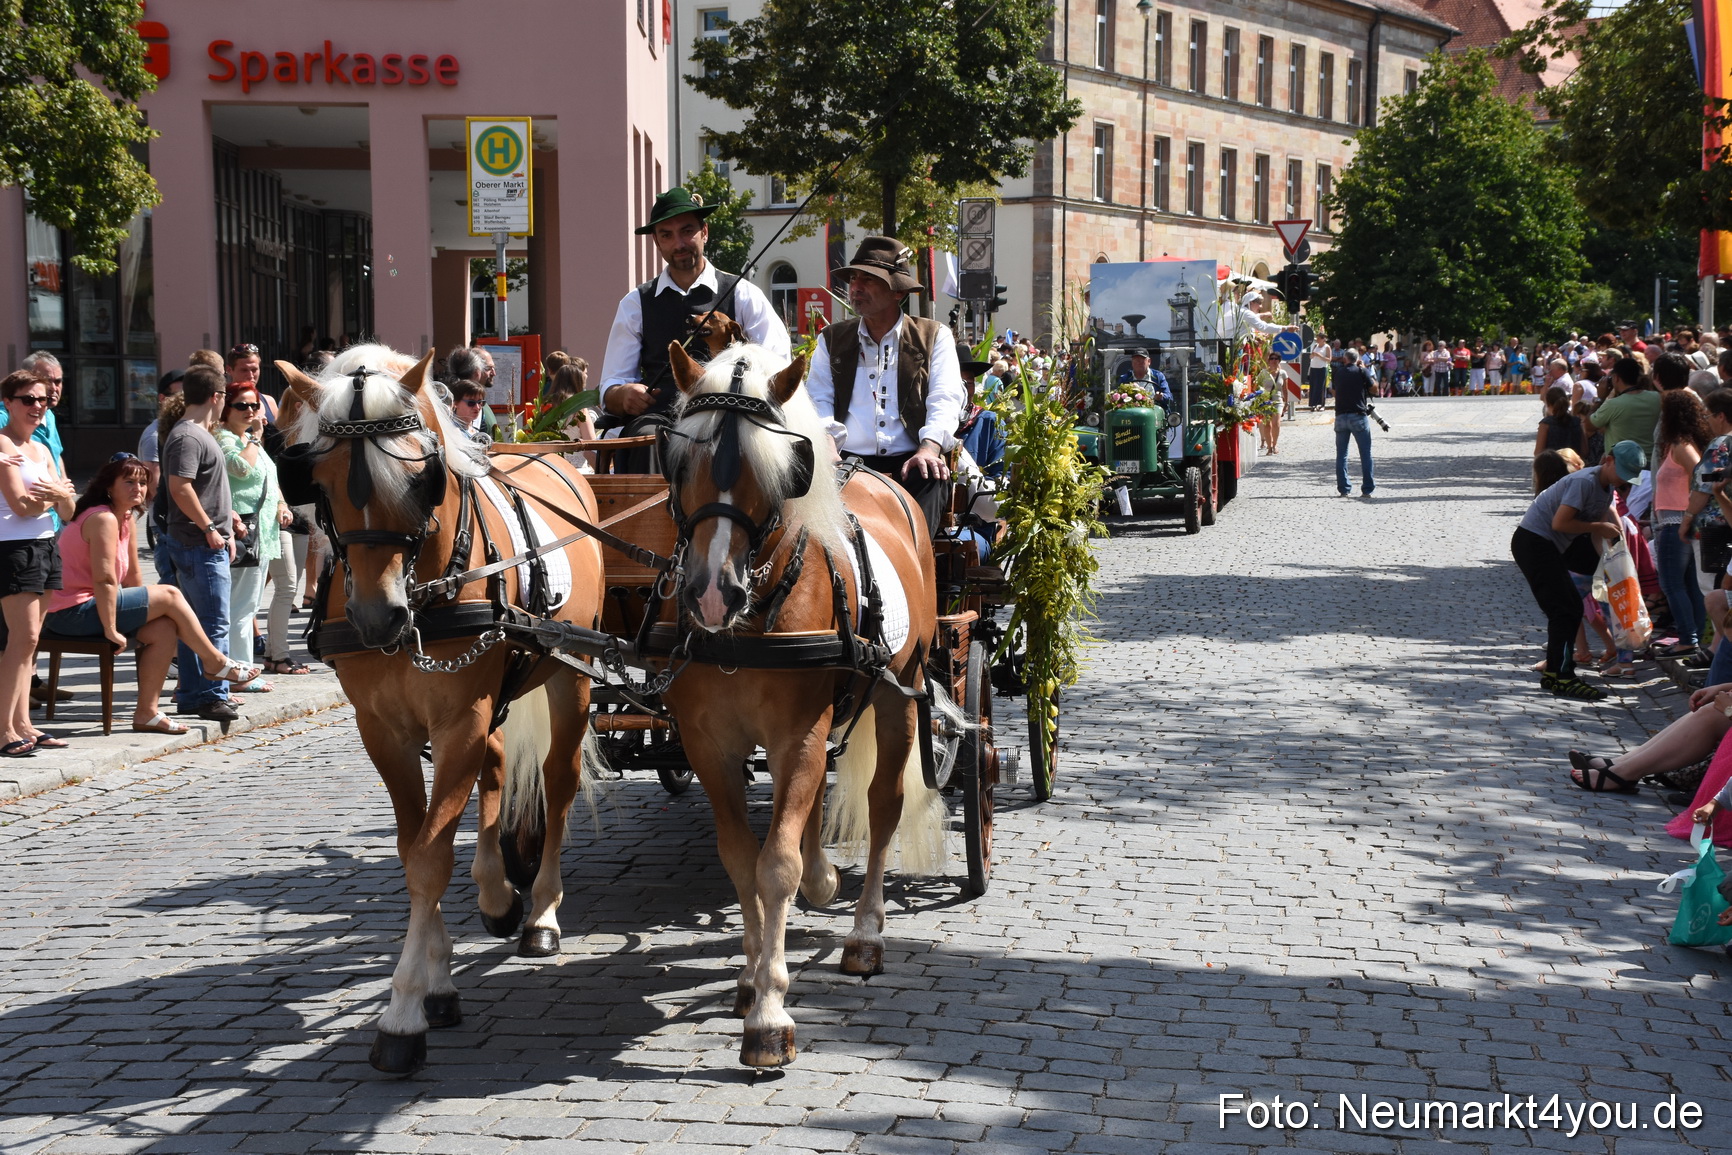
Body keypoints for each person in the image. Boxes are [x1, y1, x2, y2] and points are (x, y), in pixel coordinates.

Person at [46, 457, 259, 735]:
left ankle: (147, 712)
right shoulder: (102, 518)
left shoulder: (125, 518)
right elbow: (105, 579)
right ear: (109, 487)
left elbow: (133, 577)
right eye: (129, 482)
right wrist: (111, 628)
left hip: (93, 606)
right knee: (170, 594)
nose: (138, 488)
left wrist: (144, 611)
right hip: (68, 613)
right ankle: (214, 662)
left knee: (163, 626)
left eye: (143, 483)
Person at [598, 186, 789, 471]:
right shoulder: (635, 303)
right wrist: (623, 395)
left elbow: (778, 367)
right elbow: (610, 388)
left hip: (732, 417)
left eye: (687, 231)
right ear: (657, 242)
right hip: (660, 420)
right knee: (644, 438)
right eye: (667, 235)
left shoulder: (743, 295)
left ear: (705, 232)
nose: (679, 243)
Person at [805, 236, 967, 535]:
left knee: (932, 478)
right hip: (846, 463)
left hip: (914, 462)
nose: (856, 287)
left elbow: (945, 398)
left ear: (898, 292)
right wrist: (827, 446)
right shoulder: (831, 339)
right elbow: (818, 400)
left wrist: (930, 448)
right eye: (854, 278)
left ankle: (915, 572)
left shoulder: (933, 335)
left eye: (869, 279)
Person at [1512, 441, 1646, 701]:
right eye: (1622, 472)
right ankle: (1562, 676)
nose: (1623, 480)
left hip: (1548, 545)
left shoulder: (1605, 489)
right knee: (1566, 609)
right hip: (1534, 541)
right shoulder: (1584, 482)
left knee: (1568, 608)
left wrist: (1609, 566)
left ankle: (1556, 671)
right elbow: (1561, 522)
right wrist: (1597, 527)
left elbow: (1596, 534)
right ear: (1608, 460)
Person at [154, 365, 246, 723]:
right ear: (217, 397)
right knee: (212, 623)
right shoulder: (188, 437)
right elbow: (180, 487)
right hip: (197, 545)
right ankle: (211, 695)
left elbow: (205, 487)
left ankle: (194, 694)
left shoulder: (197, 434)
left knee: (194, 625)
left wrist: (230, 518)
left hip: (204, 541)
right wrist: (209, 527)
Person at [0, 371, 76, 755]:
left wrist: (56, 496)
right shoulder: (2, 445)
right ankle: (4, 729)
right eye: (27, 399)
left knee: (29, 643)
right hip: (14, 548)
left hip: (46, 545)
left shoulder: (42, 450)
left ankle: (24, 723)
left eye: (43, 400)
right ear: (8, 403)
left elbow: (70, 505)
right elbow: (20, 505)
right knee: (22, 638)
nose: (37, 407)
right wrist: (54, 495)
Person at [217, 384, 286, 691]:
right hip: (242, 531)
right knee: (239, 606)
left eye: (255, 405)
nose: (250, 411)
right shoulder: (225, 438)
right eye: (242, 406)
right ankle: (239, 674)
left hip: (262, 531)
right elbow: (241, 469)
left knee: (248, 604)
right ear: (226, 409)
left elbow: (269, 476)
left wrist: (282, 504)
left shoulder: (247, 439)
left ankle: (240, 670)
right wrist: (257, 437)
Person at [1654, 389, 1713, 660]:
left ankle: (1688, 638)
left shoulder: (1681, 444)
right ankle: (1692, 637)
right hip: (1679, 521)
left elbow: (1703, 474)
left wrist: (1690, 513)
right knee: (1688, 585)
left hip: (1677, 522)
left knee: (1672, 584)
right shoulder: (1679, 443)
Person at [1590, 356, 1662, 459]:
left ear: (1616, 378)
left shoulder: (1613, 405)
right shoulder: (1657, 397)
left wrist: (1600, 398)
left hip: (1622, 465)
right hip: (1653, 463)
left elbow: (1589, 426)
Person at [1332, 349, 1376, 498]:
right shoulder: (1361, 371)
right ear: (1357, 358)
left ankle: (1344, 489)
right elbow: (1374, 388)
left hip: (1340, 416)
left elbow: (1334, 390)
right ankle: (1367, 489)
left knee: (1341, 455)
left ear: (1345, 358)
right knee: (1365, 454)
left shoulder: (1337, 372)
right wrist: (1364, 369)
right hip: (1358, 415)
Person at [446, 347, 500, 441]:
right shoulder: (454, 429)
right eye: (471, 403)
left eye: (480, 402)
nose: (477, 407)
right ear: (477, 373)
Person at [1535, 386, 1582, 457]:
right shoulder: (1577, 421)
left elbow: (1538, 452)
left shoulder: (1545, 424)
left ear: (1548, 404)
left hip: (1553, 464)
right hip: (1574, 463)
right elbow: (1584, 451)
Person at [1307, 332, 1331, 410]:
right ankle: (1313, 404)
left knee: (1320, 386)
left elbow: (1329, 359)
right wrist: (1312, 355)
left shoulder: (1327, 347)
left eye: (1318, 338)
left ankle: (1321, 404)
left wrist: (1319, 356)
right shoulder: (1315, 346)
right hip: (1313, 367)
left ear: (1323, 339)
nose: (1317, 340)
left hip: (1322, 368)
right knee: (1313, 386)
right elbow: (1310, 357)